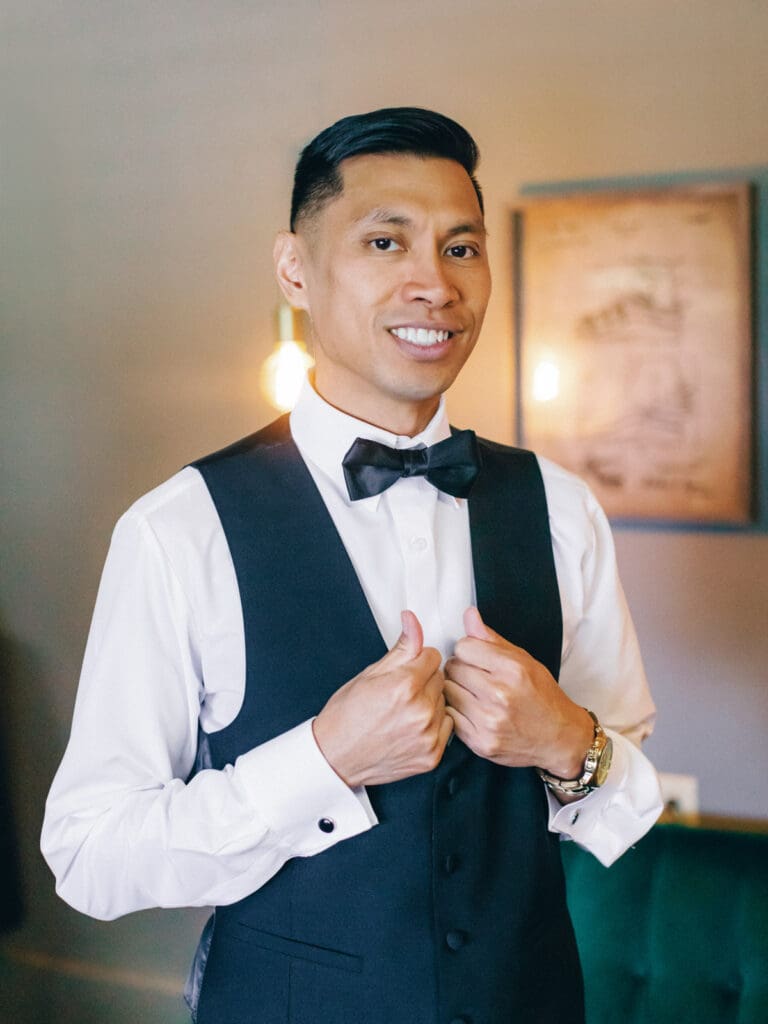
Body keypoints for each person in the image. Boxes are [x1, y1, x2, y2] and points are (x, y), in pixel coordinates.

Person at [42, 107, 663, 1024]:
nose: (434, 286)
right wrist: (321, 762)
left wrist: (570, 743)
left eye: (462, 249)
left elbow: (623, 795)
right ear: (296, 269)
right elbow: (91, 855)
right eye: (385, 242)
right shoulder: (180, 532)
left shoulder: (562, 509)